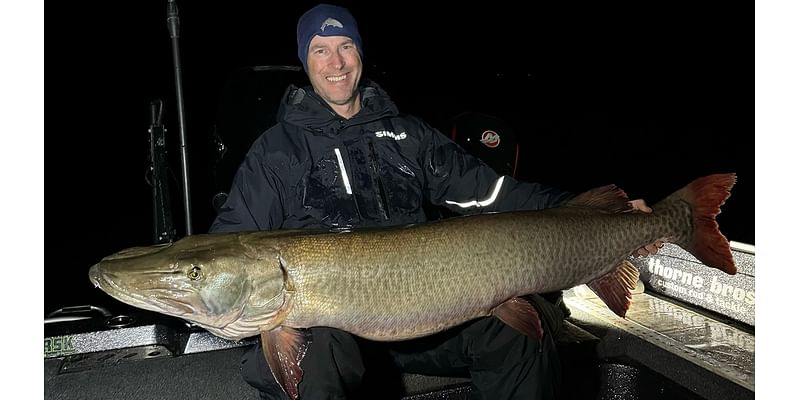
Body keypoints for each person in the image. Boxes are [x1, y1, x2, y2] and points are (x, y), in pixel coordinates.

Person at [209, 4, 661, 399]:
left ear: (360, 54)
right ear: (304, 61)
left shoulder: (409, 134)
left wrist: (593, 212)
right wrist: (218, 309)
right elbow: (231, 247)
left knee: (518, 334)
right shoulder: (276, 151)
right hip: (337, 329)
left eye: (345, 46)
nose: (336, 63)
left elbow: (494, 193)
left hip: (425, 318)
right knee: (317, 355)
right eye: (320, 50)